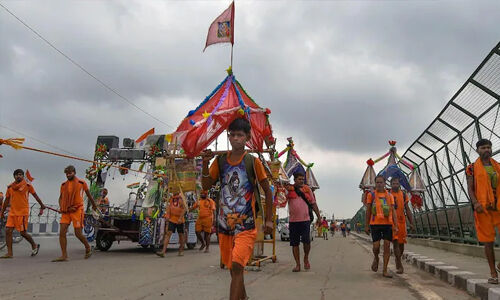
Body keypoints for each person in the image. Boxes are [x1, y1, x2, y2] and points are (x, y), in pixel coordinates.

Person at [202, 118, 274, 300]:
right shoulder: (220, 161)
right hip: (224, 226)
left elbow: (268, 190)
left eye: (240, 135)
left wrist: (269, 220)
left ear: (247, 137)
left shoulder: (252, 162)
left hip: (246, 225)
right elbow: (206, 185)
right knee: (233, 269)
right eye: (232, 135)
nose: (235, 138)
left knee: (236, 266)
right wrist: (204, 163)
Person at [466, 139, 500, 284]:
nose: (487, 150)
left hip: (498, 207)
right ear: (477, 150)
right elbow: (470, 187)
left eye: (489, 147)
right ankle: (493, 273)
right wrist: (475, 203)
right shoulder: (472, 168)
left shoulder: (498, 166)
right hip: (483, 209)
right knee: (488, 242)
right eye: (483, 148)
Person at [52, 165, 97, 262]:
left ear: (74, 172)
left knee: (78, 233)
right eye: (67, 173)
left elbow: (89, 195)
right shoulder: (63, 185)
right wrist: (61, 207)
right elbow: (61, 198)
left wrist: (94, 205)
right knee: (62, 232)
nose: (68, 175)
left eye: (70, 173)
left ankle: (88, 248)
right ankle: (64, 255)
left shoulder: (82, 183)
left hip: (77, 210)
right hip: (66, 211)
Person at [0, 169, 46, 258]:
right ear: (14, 176)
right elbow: (6, 200)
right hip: (12, 213)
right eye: (17, 175)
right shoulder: (10, 187)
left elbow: (35, 196)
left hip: (23, 212)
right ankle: (10, 253)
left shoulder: (28, 186)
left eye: (20, 174)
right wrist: (2, 212)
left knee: (22, 233)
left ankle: (34, 245)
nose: (18, 176)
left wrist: (42, 205)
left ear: (23, 176)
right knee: (8, 231)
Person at [286, 172, 321, 272]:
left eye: (302, 179)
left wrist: (318, 217)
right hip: (293, 221)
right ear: (295, 180)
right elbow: (282, 199)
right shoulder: (289, 189)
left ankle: (306, 258)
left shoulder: (307, 189)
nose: (301, 181)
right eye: (299, 179)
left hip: (305, 220)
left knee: (306, 241)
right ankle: (298, 264)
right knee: (294, 243)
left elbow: (313, 204)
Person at [365, 175, 398, 278]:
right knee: (376, 247)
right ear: (375, 184)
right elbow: (368, 210)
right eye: (377, 182)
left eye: (381, 182)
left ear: (384, 183)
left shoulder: (390, 196)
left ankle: (384, 270)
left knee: (387, 246)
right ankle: (376, 258)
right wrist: (366, 225)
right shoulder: (371, 195)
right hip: (375, 224)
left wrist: (396, 225)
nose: (379, 184)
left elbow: (393, 211)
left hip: (387, 224)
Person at [390, 177, 415, 274]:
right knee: (395, 242)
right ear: (391, 185)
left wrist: (411, 223)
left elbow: (407, 209)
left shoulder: (403, 195)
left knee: (401, 245)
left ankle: (398, 258)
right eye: (393, 184)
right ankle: (399, 264)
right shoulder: (388, 194)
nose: (395, 185)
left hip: (401, 222)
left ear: (399, 184)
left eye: (397, 183)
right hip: (391, 223)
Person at [157, 192, 187, 257]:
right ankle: (163, 251)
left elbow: (184, 209)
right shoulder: (171, 199)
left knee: (181, 235)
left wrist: (180, 218)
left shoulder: (181, 198)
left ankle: (181, 250)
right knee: (168, 234)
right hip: (172, 220)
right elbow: (169, 209)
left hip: (180, 221)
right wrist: (167, 218)